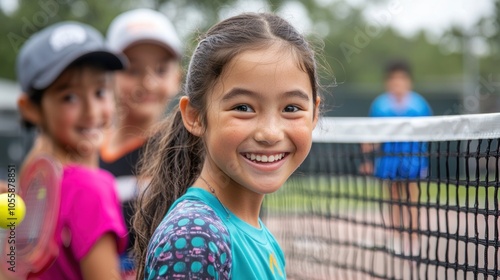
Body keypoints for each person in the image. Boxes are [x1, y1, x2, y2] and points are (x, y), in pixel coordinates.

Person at [133, 12, 321, 279]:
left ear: (314, 114)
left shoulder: (259, 237)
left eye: (291, 108)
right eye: (242, 108)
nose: (269, 133)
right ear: (195, 116)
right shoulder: (196, 237)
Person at [15, 21, 128, 279]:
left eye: (100, 91)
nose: (91, 111)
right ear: (31, 108)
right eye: (70, 97)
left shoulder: (28, 185)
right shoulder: (91, 187)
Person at [100, 8, 183, 277]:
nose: (147, 82)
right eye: (132, 69)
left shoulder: (184, 151)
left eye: (160, 69)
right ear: (107, 76)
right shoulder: (82, 148)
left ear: (177, 78)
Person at [362, 59, 432, 253]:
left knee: (412, 197)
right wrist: (367, 160)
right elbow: (371, 135)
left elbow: (429, 132)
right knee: (393, 197)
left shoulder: (419, 105)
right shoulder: (380, 105)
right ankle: (394, 235)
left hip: (414, 159)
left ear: (408, 81)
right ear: (388, 82)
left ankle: (414, 236)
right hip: (388, 159)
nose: (397, 83)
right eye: (393, 79)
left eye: (401, 79)